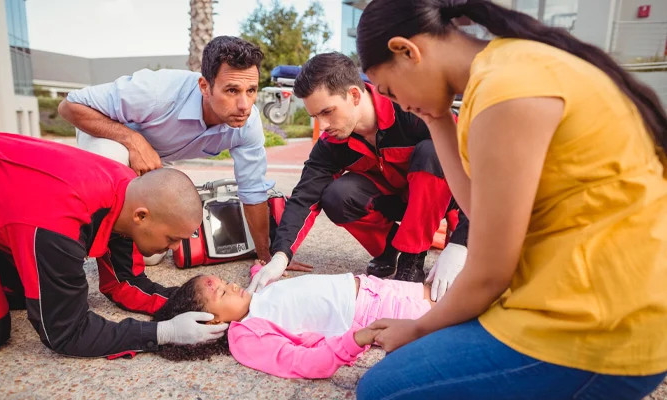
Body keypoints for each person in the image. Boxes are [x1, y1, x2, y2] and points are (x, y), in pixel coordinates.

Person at [352, 0, 667, 399]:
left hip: (597, 331)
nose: (397, 105)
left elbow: (489, 273)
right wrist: (435, 118)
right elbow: (479, 213)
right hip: (580, 303)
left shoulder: (508, 91)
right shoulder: (503, 71)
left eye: (390, 90)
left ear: (407, 51)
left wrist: (418, 327)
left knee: (382, 391)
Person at [0, 133, 228, 361]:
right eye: (172, 238)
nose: (174, 248)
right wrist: (164, 333)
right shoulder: (59, 227)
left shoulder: (130, 192)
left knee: (27, 292)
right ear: (141, 216)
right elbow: (65, 332)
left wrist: (200, 306)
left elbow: (124, 283)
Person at [248, 52, 469, 295]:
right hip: (398, 200)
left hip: (449, 200)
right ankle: (388, 251)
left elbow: (484, 172)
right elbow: (305, 196)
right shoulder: (332, 142)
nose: (323, 126)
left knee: (432, 151)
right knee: (337, 195)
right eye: (315, 117)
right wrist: (280, 256)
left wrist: (461, 243)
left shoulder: (413, 109)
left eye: (327, 112)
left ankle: (411, 259)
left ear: (354, 95)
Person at [58, 36, 276, 266]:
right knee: (112, 157)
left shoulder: (248, 124)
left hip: (156, 159)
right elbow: (69, 106)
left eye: (251, 91)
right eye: (232, 90)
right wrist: (133, 140)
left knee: (149, 254)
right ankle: (72, 247)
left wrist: (265, 256)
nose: (244, 105)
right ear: (205, 86)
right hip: (109, 137)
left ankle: (117, 243)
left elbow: (253, 192)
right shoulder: (155, 92)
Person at [153, 266, 435, 379]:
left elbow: (282, 293)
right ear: (210, 321)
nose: (233, 286)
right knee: (459, 311)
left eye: (226, 281)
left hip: (373, 286)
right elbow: (302, 362)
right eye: (223, 292)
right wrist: (357, 339)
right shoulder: (246, 335)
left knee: (448, 293)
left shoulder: (253, 298)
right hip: (376, 312)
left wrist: (264, 265)